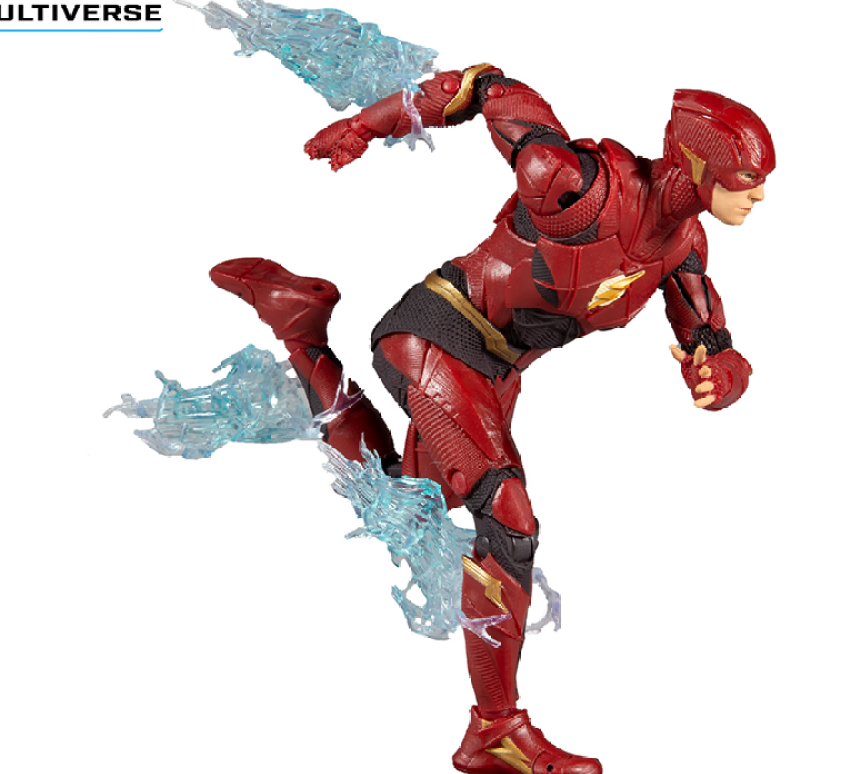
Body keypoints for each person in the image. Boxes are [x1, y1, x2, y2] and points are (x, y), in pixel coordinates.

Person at [210, 64, 775, 774]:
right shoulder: (578, 186)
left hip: (495, 370)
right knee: (508, 519)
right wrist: (365, 124)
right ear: (695, 162)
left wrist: (724, 374)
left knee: (404, 504)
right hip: (436, 334)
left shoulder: (683, 246)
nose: (759, 195)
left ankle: (301, 329)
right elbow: (486, 86)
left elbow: (709, 338)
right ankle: (495, 729)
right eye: (747, 177)